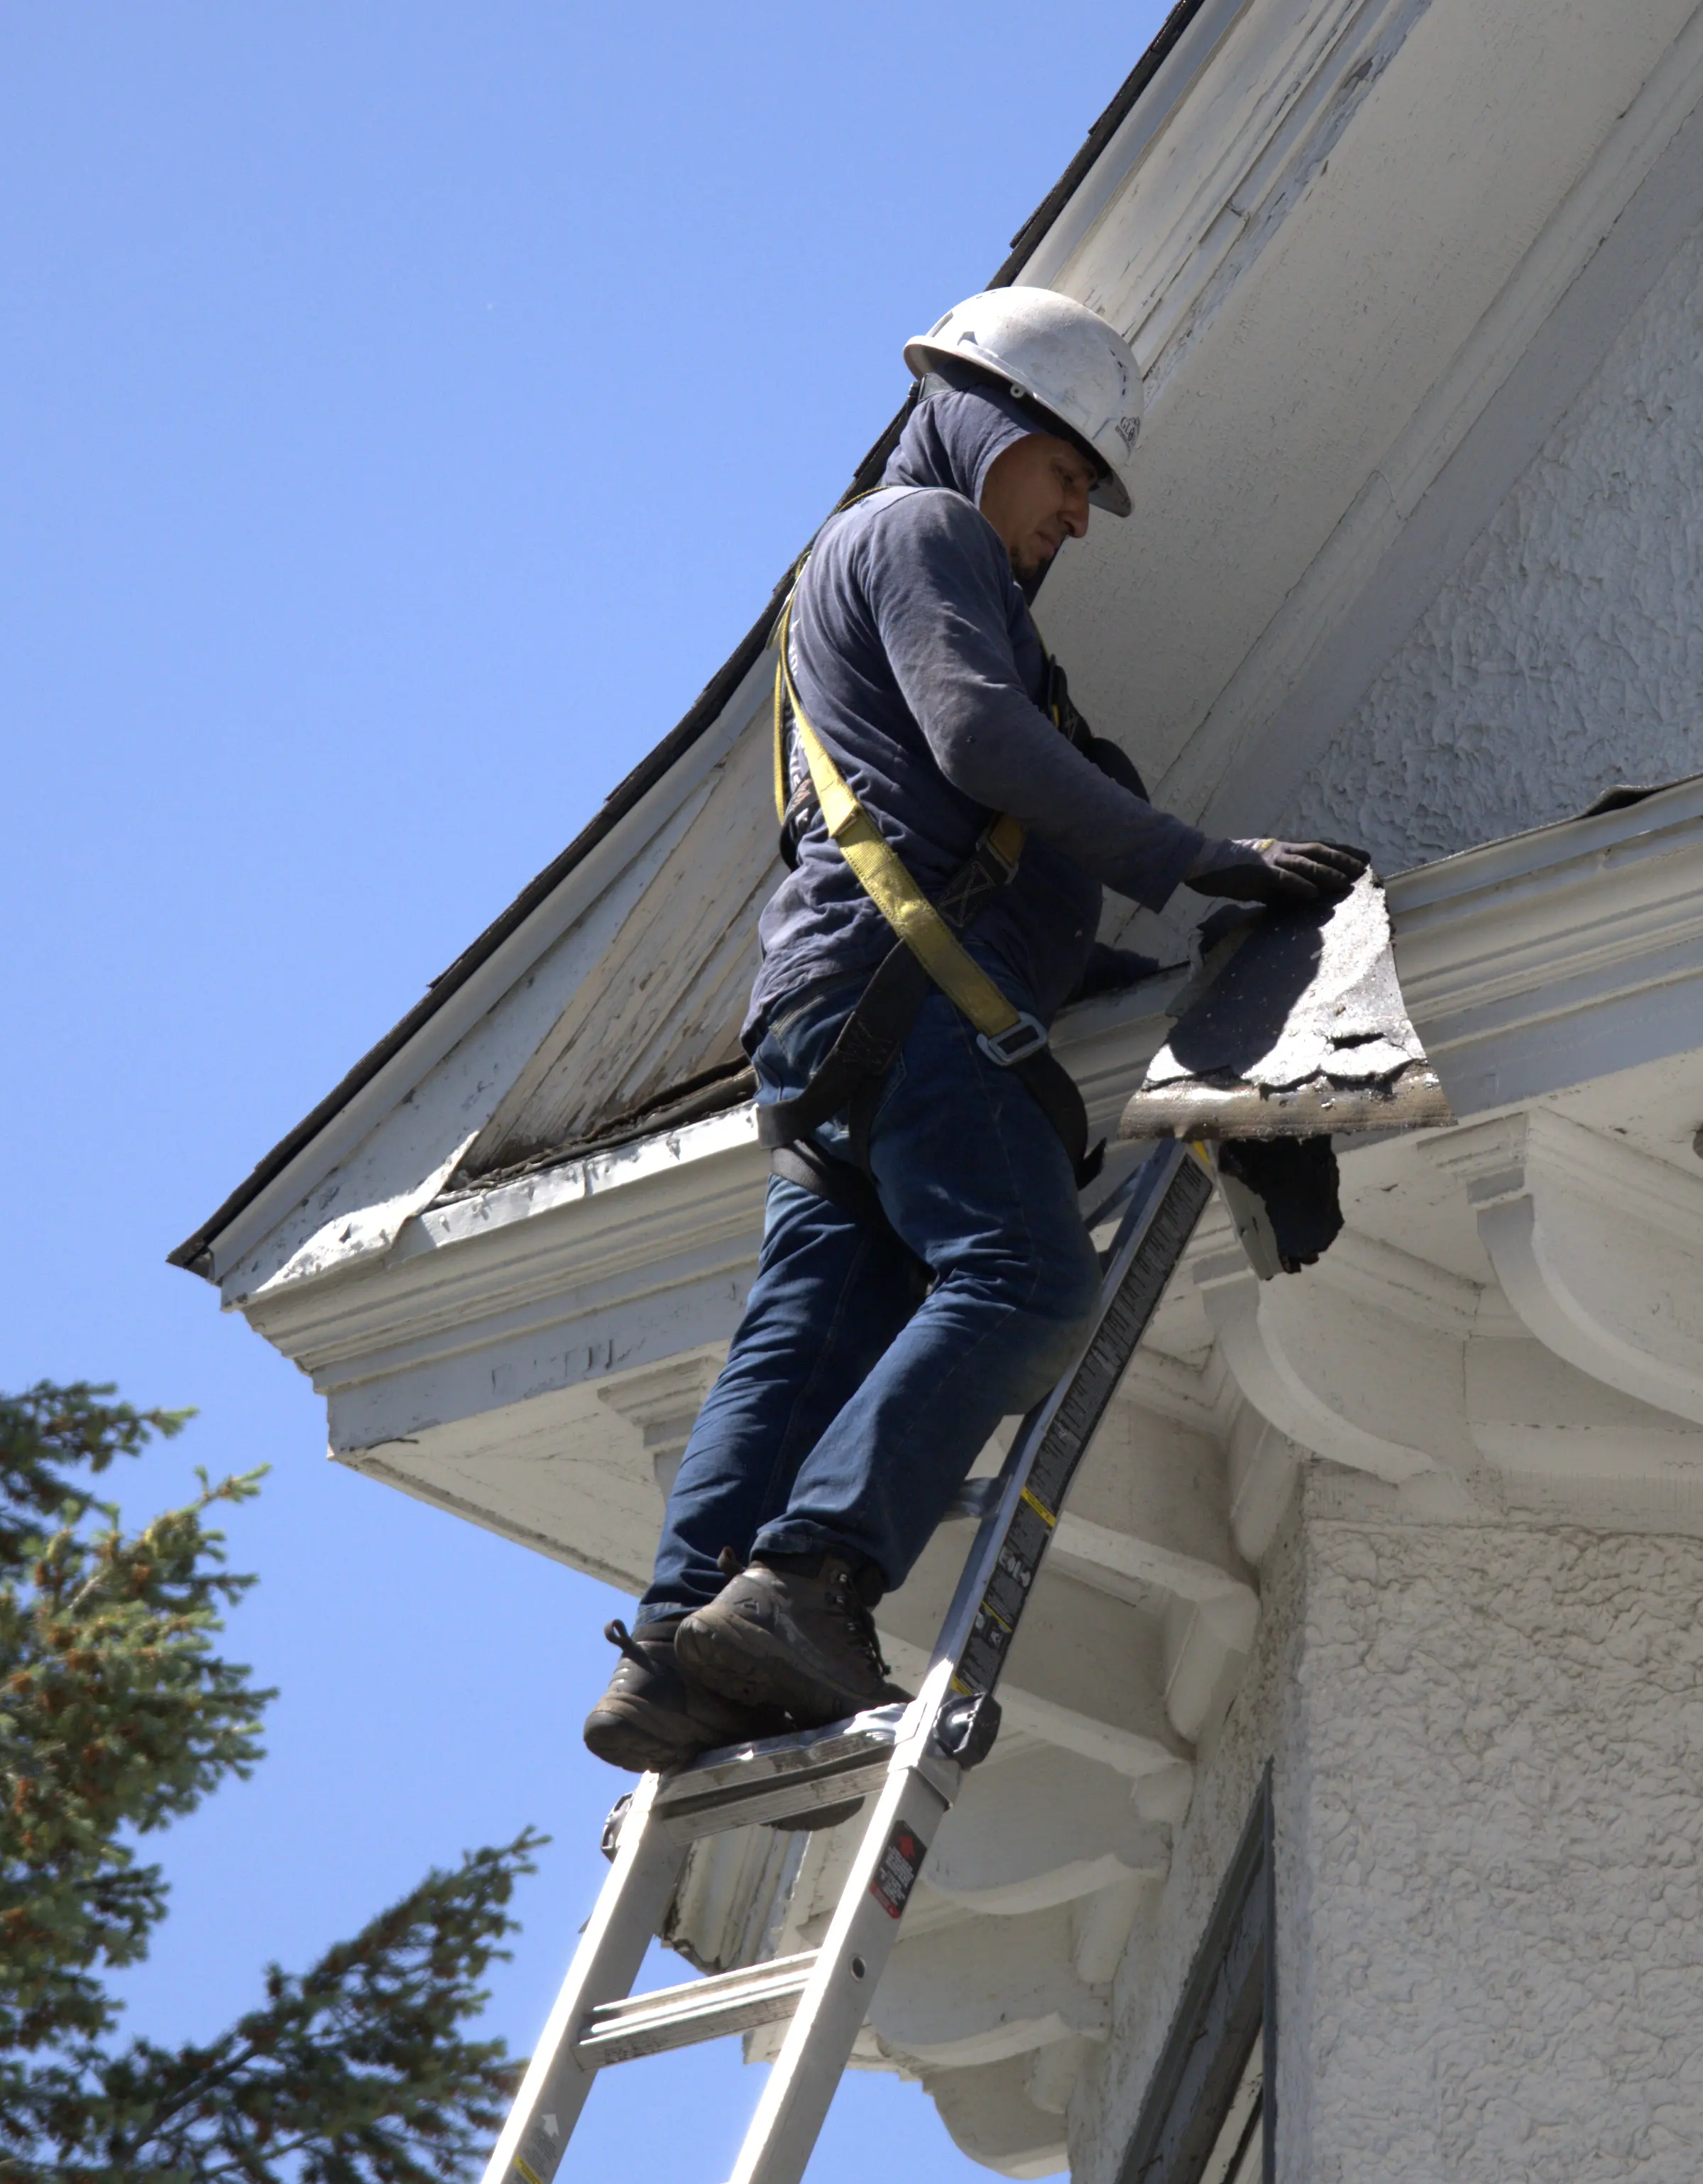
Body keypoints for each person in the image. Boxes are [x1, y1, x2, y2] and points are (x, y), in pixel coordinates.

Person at [584, 288, 1366, 1769]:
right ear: (992, 422)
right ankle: (809, 1579)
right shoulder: (916, 531)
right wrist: (1205, 856)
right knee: (1023, 1277)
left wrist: (1159, 969)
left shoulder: (872, 576)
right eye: (1069, 475)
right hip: (903, 999)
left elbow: (970, 828)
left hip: (846, 1018)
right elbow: (979, 741)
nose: (1075, 518)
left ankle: (673, 1647)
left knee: (807, 1329)